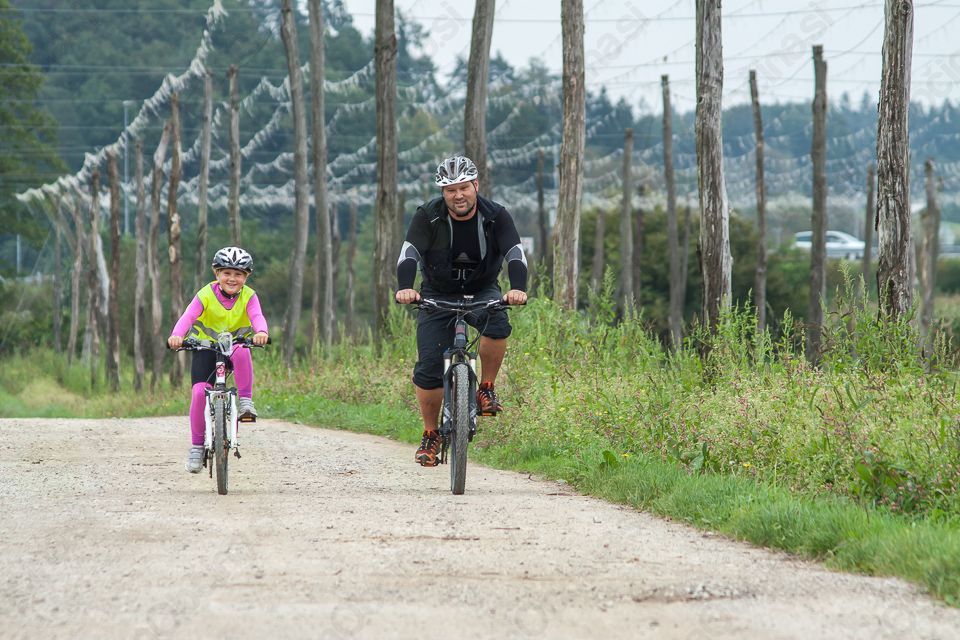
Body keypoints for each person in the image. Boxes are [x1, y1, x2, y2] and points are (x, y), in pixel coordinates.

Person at [395, 155, 528, 467]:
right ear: (443, 192)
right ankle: (431, 434)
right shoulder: (428, 216)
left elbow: (515, 252)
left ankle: (486, 388)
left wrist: (518, 288)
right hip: (437, 293)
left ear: (476, 186)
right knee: (429, 368)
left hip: (482, 289)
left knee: (497, 323)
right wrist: (405, 287)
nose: (458, 195)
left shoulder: (495, 216)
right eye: (450, 190)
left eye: (464, 188)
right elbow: (409, 253)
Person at [167, 246, 269, 473]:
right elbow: (188, 316)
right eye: (227, 273)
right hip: (205, 348)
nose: (232, 278)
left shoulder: (250, 296)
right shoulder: (205, 294)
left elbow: (257, 316)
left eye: (238, 274)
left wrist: (261, 332)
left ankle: (245, 402)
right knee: (199, 392)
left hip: (234, 348)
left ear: (246, 277)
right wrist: (177, 335)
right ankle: (196, 447)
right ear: (217, 273)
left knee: (242, 350)